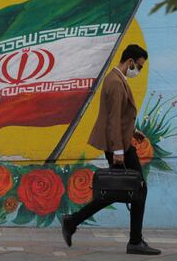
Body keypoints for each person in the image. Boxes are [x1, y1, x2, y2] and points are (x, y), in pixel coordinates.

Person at [61, 44, 161, 255]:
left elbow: (119, 116)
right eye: (139, 66)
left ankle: (73, 221)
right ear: (130, 61)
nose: (139, 71)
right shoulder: (116, 82)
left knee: (120, 190)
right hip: (120, 148)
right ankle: (135, 242)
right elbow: (113, 119)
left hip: (122, 144)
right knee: (137, 189)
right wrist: (118, 151)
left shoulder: (116, 79)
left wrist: (133, 132)